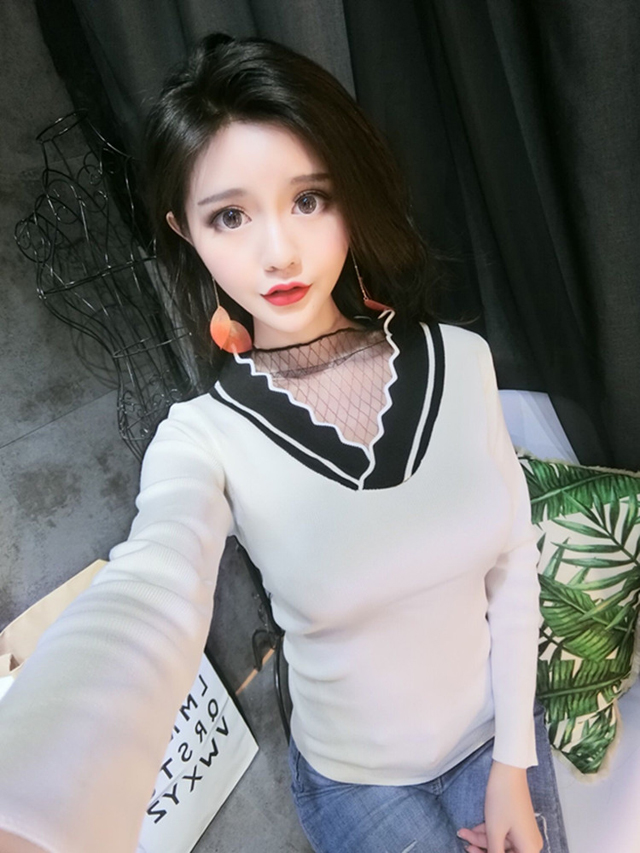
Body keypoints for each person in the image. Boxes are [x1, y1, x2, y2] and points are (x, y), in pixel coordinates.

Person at [0, 33, 570, 853]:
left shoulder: (461, 360)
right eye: (230, 216)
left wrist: (514, 759)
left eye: (309, 199)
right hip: (356, 780)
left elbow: (513, 560)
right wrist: (33, 807)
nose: (279, 253)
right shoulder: (203, 439)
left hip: (497, 740)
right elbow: (153, 590)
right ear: (185, 230)